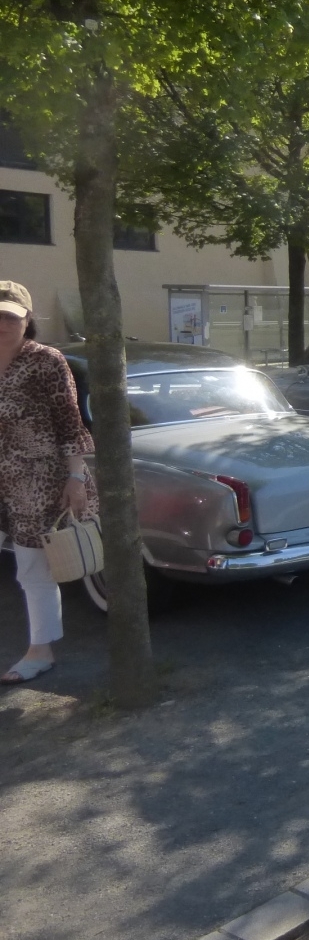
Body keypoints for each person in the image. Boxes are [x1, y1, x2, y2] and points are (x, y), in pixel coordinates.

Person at [0, 281, 98, 685]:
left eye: (9, 316)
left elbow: (70, 423)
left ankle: (40, 651)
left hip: (39, 481)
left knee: (32, 568)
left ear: (27, 319)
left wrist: (75, 476)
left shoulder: (45, 360)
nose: (1, 324)